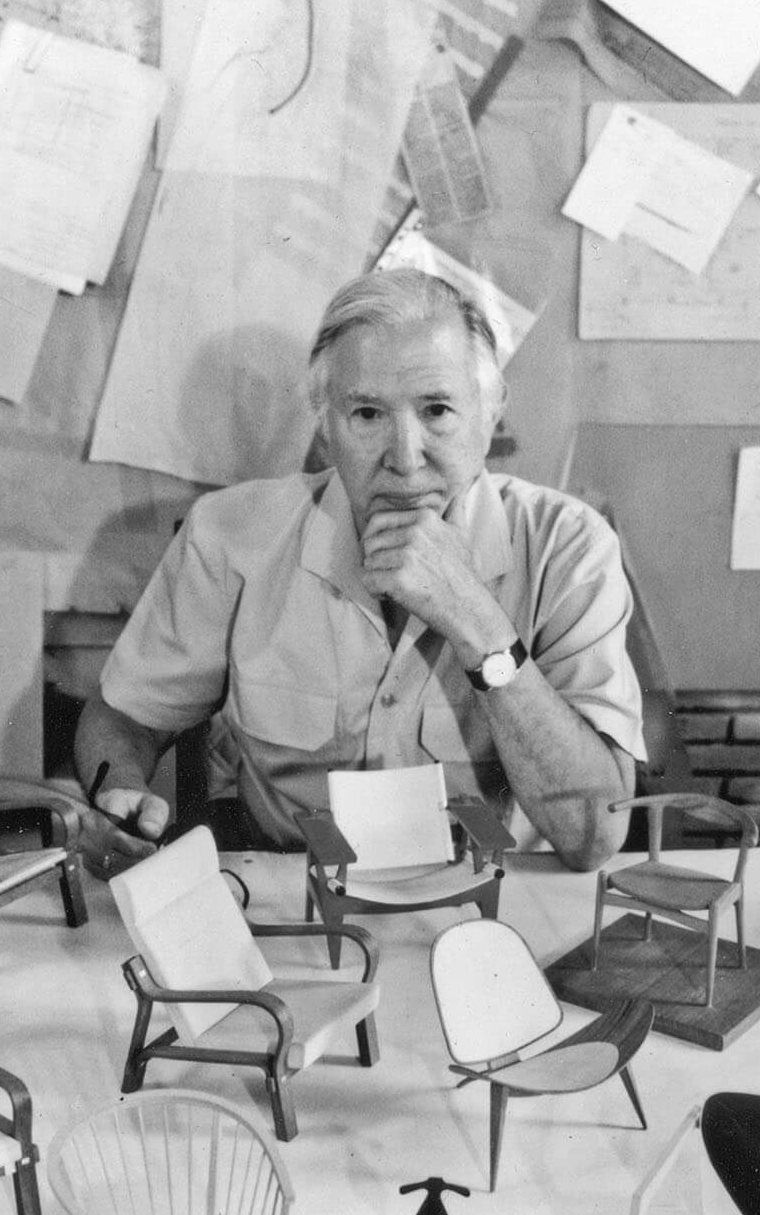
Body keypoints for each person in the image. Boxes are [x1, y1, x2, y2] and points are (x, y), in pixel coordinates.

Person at [75, 267, 644, 876]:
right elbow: (122, 719)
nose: (405, 458)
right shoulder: (230, 537)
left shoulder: (570, 547)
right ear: (324, 423)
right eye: (368, 414)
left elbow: (592, 835)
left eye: (438, 410)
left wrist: (477, 622)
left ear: (490, 411)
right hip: (297, 904)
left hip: (495, 903)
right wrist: (119, 791)